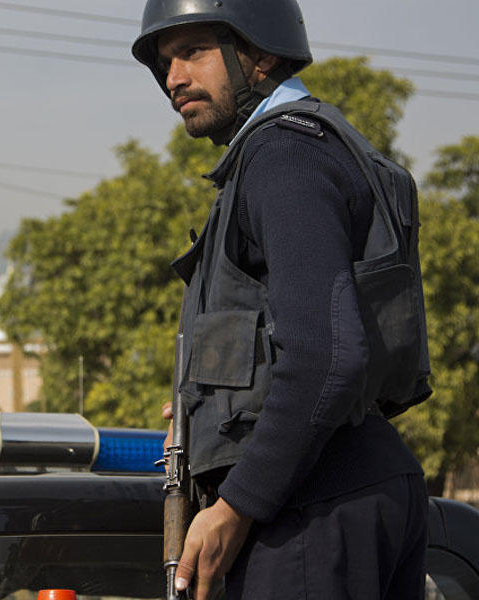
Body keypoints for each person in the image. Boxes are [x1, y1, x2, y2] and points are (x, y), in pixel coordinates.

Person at [132, 1, 431, 599]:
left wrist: (236, 505)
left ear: (261, 53)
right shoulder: (301, 148)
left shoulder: (282, 154)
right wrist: (208, 406)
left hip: (309, 508)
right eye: (165, 62)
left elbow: (326, 355)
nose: (173, 79)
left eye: (192, 52)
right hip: (346, 492)